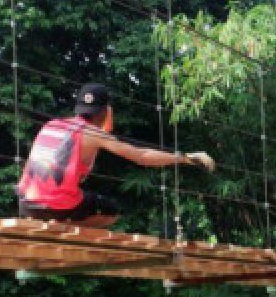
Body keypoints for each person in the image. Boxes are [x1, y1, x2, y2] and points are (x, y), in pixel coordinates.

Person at [17, 83, 214, 227]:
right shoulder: (93, 133)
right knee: (110, 211)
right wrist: (185, 157)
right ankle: (68, 238)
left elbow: (30, 166)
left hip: (26, 204)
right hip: (55, 207)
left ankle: (60, 227)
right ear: (106, 110)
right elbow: (142, 156)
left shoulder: (51, 125)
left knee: (84, 201)